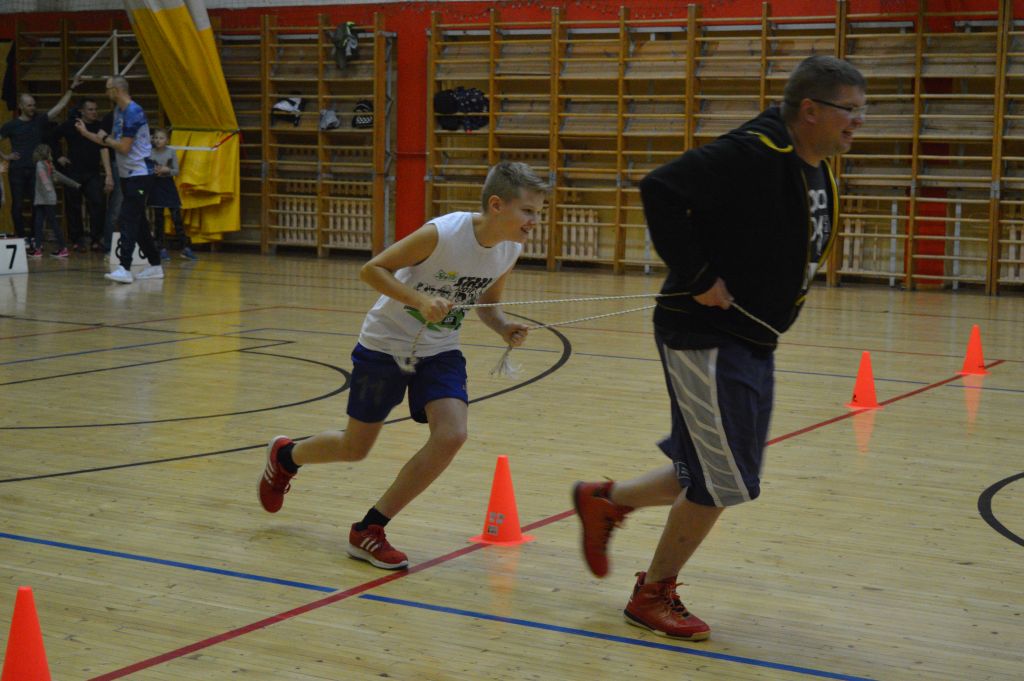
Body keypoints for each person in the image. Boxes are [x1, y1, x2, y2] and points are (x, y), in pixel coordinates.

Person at [571, 55, 867, 641]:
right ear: (811, 110)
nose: (858, 122)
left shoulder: (810, 163)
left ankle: (606, 501)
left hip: (751, 338)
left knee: (710, 466)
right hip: (705, 334)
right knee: (724, 479)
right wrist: (698, 274)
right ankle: (652, 594)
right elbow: (660, 188)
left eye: (863, 111)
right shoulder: (754, 151)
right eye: (850, 111)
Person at [258, 161, 547, 569]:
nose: (535, 221)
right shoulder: (443, 233)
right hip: (385, 346)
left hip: (440, 350)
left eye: (538, 213)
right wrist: (420, 301)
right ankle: (287, 457)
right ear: (497, 205)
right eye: (528, 211)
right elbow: (371, 269)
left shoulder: (509, 250)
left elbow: (487, 302)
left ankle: (369, 529)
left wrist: (502, 326)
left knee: (452, 435)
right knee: (354, 448)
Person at [75, 75, 163, 284]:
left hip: (139, 174)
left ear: (117, 90)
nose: (106, 92)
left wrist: (105, 138)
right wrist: (85, 133)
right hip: (127, 175)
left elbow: (123, 147)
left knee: (127, 218)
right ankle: (155, 265)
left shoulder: (133, 112)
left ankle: (124, 268)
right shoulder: (118, 112)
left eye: (108, 88)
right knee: (139, 222)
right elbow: (106, 141)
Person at [0, 78, 81, 247]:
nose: (32, 108)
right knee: (17, 206)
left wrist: (71, 89)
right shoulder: (11, 125)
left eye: (34, 105)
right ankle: (21, 237)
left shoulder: (39, 120)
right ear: (21, 106)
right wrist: (5, 156)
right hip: (17, 170)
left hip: (36, 170)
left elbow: (59, 107)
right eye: (29, 105)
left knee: (36, 204)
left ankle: (33, 237)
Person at [51, 97, 115, 251]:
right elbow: (51, 137)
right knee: (73, 206)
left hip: (93, 172)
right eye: (90, 109)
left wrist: (108, 174)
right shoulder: (71, 125)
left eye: (95, 109)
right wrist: (58, 156)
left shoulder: (99, 127)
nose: (94, 112)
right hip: (73, 171)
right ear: (82, 111)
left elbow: (105, 147)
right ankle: (77, 239)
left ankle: (96, 239)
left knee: (98, 204)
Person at [148, 128, 196, 261]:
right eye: (156, 138)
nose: (158, 140)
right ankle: (161, 249)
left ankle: (185, 248)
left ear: (167, 140)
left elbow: (176, 171)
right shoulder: (149, 153)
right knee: (158, 220)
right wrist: (152, 170)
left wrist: (166, 170)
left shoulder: (171, 152)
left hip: (168, 186)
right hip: (155, 186)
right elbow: (146, 168)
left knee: (176, 218)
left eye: (161, 138)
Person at [29, 143, 80, 258]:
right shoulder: (48, 164)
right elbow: (61, 177)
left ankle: (62, 248)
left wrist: (48, 188)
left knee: (50, 223)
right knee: (39, 223)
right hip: (45, 199)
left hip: (46, 199)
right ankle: (38, 248)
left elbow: (43, 178)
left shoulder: (40, 164)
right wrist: (75, 184)